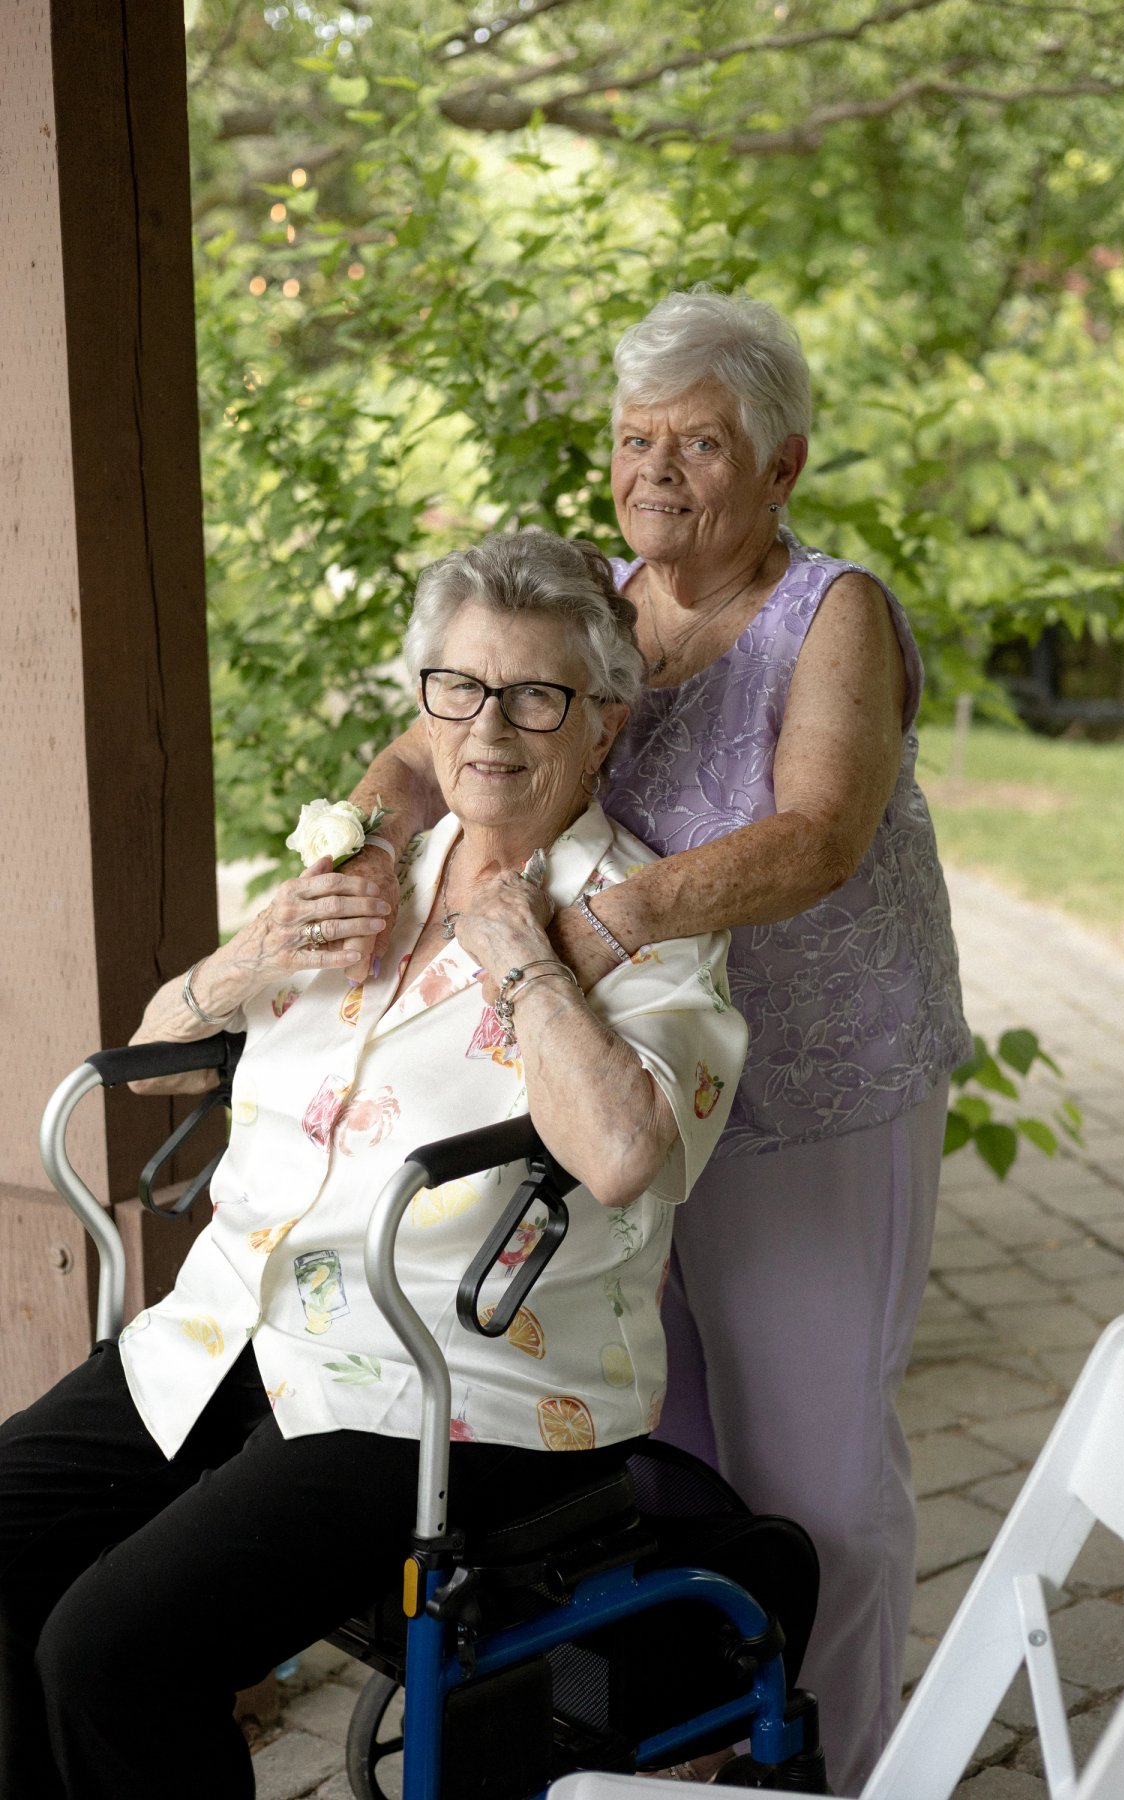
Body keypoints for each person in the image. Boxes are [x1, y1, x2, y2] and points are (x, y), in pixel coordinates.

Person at [336, 291, 973, 1793]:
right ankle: (699, 1740)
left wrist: (606, 928)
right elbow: (442, 736)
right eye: (636, 440)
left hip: (817, 1096)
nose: (658, 472)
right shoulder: (604, 605)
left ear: (784, 464)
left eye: (700, 441)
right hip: (640, 1101)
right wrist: (359, 844)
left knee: (812, 1468)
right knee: (656, 1446)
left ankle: (839, 1764)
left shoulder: (836, 614)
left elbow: (816, 835)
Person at [0, 529, 746, 1800]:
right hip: (229, 1330)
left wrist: (519, 953)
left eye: (537, 696)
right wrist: (247, 961)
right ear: (423, 704)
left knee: (113, 1651)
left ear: (605, 725)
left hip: (445, 1388)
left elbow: (626, 1156)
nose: (490, 730)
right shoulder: (366, 874)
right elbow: (158, 1058)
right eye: (458, 688)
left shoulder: (641, 922)